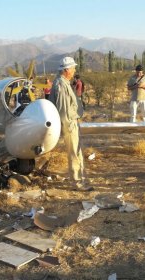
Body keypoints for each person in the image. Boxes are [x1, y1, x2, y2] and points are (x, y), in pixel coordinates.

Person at [49, 57, 92, 192]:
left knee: (77, 151)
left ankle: (81, 178)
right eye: (73, 68)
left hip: (72, 121)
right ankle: (77, 182)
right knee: (74, 152)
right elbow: (63, 110)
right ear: (66, 70)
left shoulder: (64, 82)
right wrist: (68, 125)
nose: (74, 71)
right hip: (69, 123)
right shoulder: (61, 85)